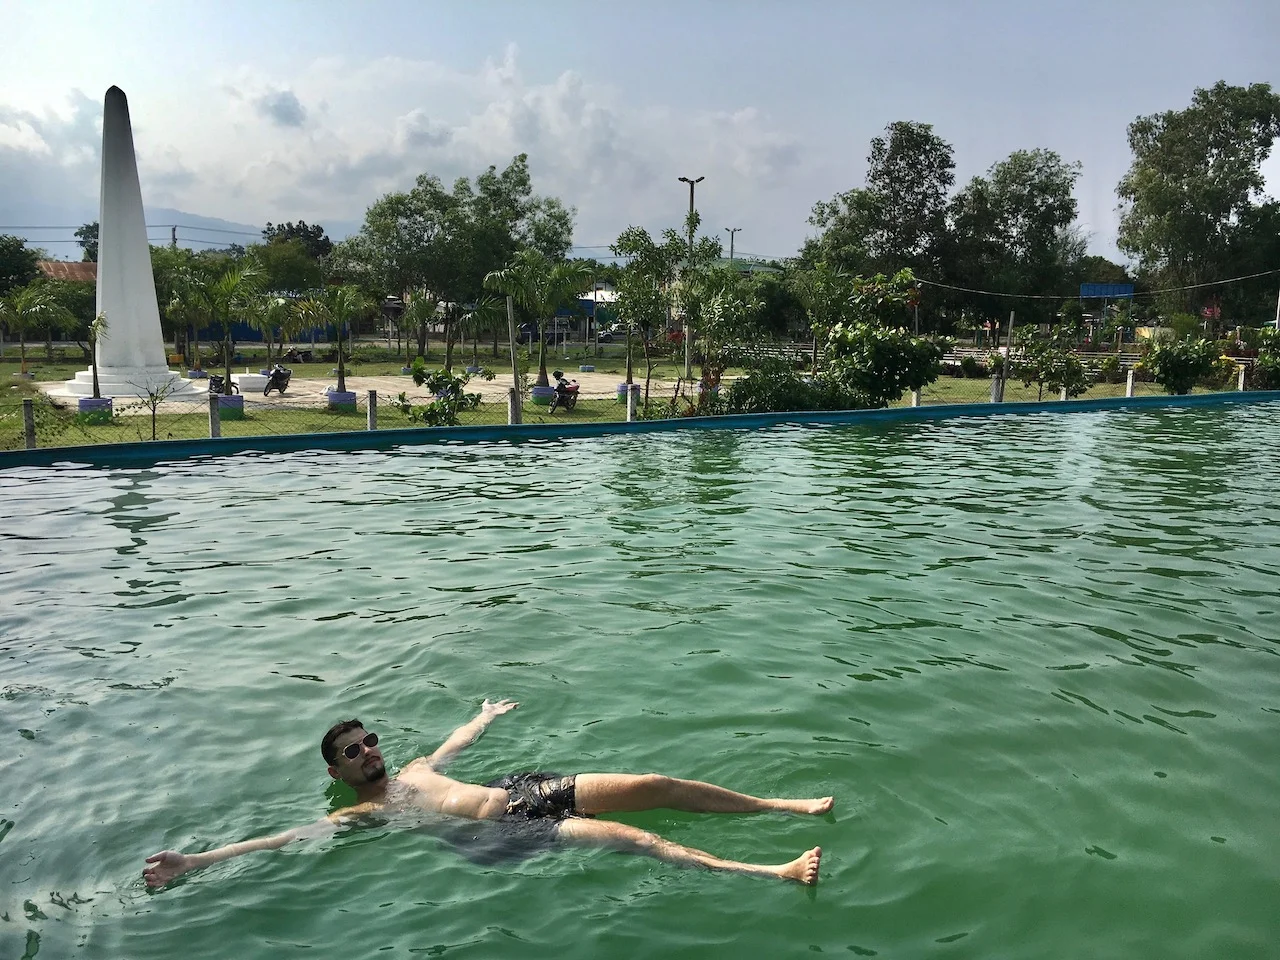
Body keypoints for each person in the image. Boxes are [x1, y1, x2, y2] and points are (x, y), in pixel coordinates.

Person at [143, 700, 830, 888]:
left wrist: (485, 716)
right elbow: (285, 839)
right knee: (637, 839)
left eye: (368, 739)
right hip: (506, 833)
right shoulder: (365, 812)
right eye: (353, 751)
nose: (368, 751)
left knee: (655, 784)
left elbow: (455, 744)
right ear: (338, 774)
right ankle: (770, 871)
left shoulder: (415, 767)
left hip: (523, 791)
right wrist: (197, 861)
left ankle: (780, 805)